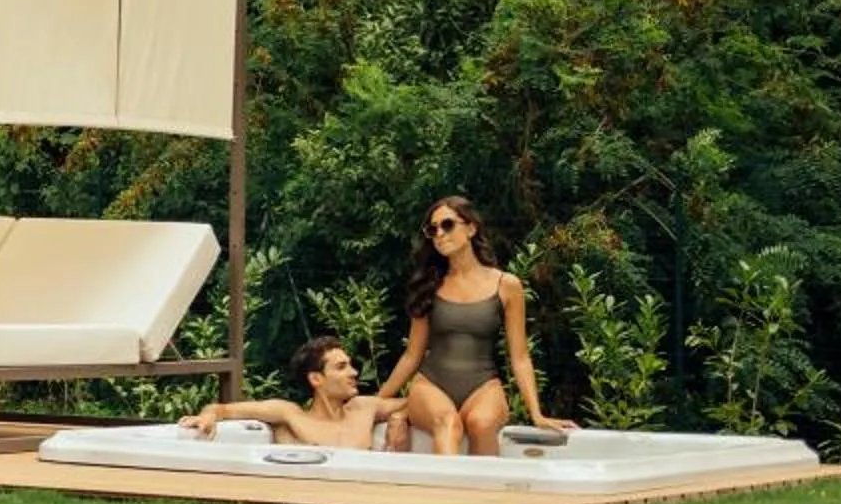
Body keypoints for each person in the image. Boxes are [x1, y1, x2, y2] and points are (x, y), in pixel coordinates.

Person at [371, 193, 577, 456]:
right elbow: (412, 355)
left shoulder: (507, 285)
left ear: (471, 228)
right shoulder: (428, 285)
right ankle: (446, 485)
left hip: (483, 385)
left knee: (481, 423)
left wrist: (536, 413)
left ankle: (485, 486)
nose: (439, 234)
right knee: (448, 424)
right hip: (431, 384)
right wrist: (376, 403)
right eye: (432, 230)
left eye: (447, 225)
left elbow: (520, 356)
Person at [181, 335, 409, 449]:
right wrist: (207, 416)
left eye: (350, 365)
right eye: (341, 367)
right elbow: (222, 409)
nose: (354, 372)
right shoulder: (289, 414)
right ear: (316, 379)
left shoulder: (364, 408)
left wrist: (400, 416)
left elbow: (415, 401)